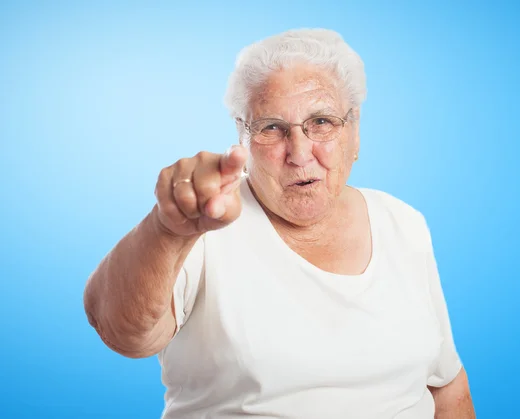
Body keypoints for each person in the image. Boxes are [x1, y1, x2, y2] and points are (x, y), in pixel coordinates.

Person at [83, 28, 475, 419]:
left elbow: (446, 384)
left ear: (354, 133)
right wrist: (166, 229)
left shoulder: (403, 222)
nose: (300, 153)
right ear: (242, 135)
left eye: (321, 122)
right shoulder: (206, 219)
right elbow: (121, 333)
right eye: (272, 128)